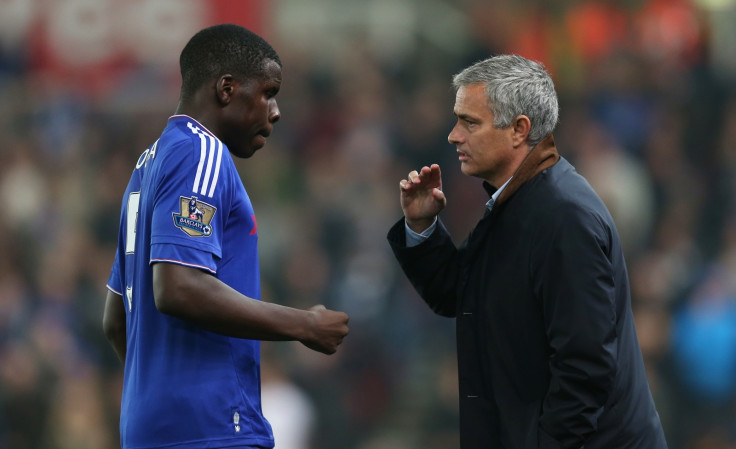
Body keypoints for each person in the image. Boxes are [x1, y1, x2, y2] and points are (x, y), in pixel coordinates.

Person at [387, 55, 668, 449]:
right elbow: (460, 295)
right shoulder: (517, 203)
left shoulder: (564, 215)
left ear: (519, 130)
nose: (453, 135)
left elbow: (584, 367)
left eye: (470, 121)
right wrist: (422, 226)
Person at [102, 24, 349, 449]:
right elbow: (178, 287)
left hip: (148, 430)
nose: (275, 111)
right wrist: (303, 324)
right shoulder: (202, 151)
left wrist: (158, 398)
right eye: (268, 92)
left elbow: (115, 318)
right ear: (227, 88)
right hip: (213, 427)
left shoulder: (147, 166)